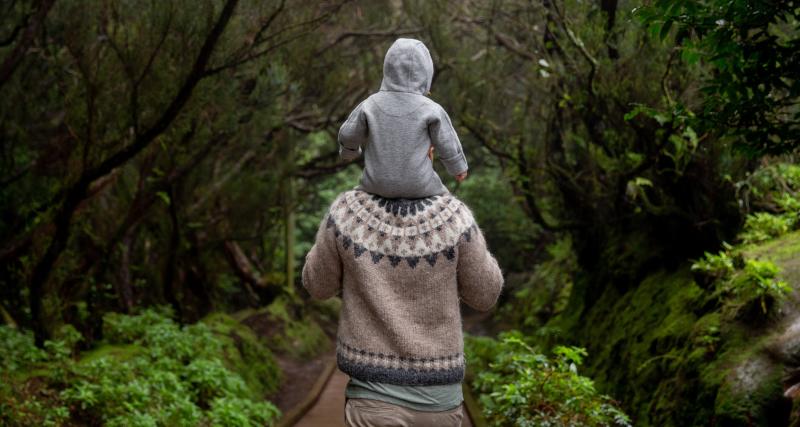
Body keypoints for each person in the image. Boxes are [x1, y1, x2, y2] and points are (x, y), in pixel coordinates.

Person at [302, 185, 504, 427]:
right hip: (438, 401)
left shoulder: (346, 211)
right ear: (429, 152)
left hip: (372, 398)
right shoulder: (453, 215)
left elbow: (318, 286)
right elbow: (486, 294)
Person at [338, 38, 469, 199]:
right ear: (426, 73)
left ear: (388, 68)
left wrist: (348, 152)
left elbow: (348, 133)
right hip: (421, 186)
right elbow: (447, 141)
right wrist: (458, 168)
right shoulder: (431, 108)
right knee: (448, 206)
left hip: (375, 185)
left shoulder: (370, 103)